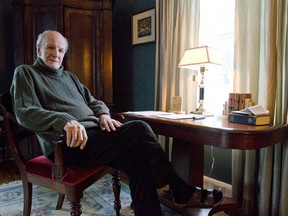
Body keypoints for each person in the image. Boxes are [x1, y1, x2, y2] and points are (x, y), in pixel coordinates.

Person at [10, 30, 223, 216]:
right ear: (39, 49)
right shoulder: (26, 73)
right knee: (139, 127)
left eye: (60, 50)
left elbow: (94, 101)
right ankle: (179, 188)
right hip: (67, 144)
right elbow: (24, 112)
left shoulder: (70, 78)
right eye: (50, 47)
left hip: (96, 136)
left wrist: (103, 115)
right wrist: (64, 121)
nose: (55, 53)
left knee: (137, 160)